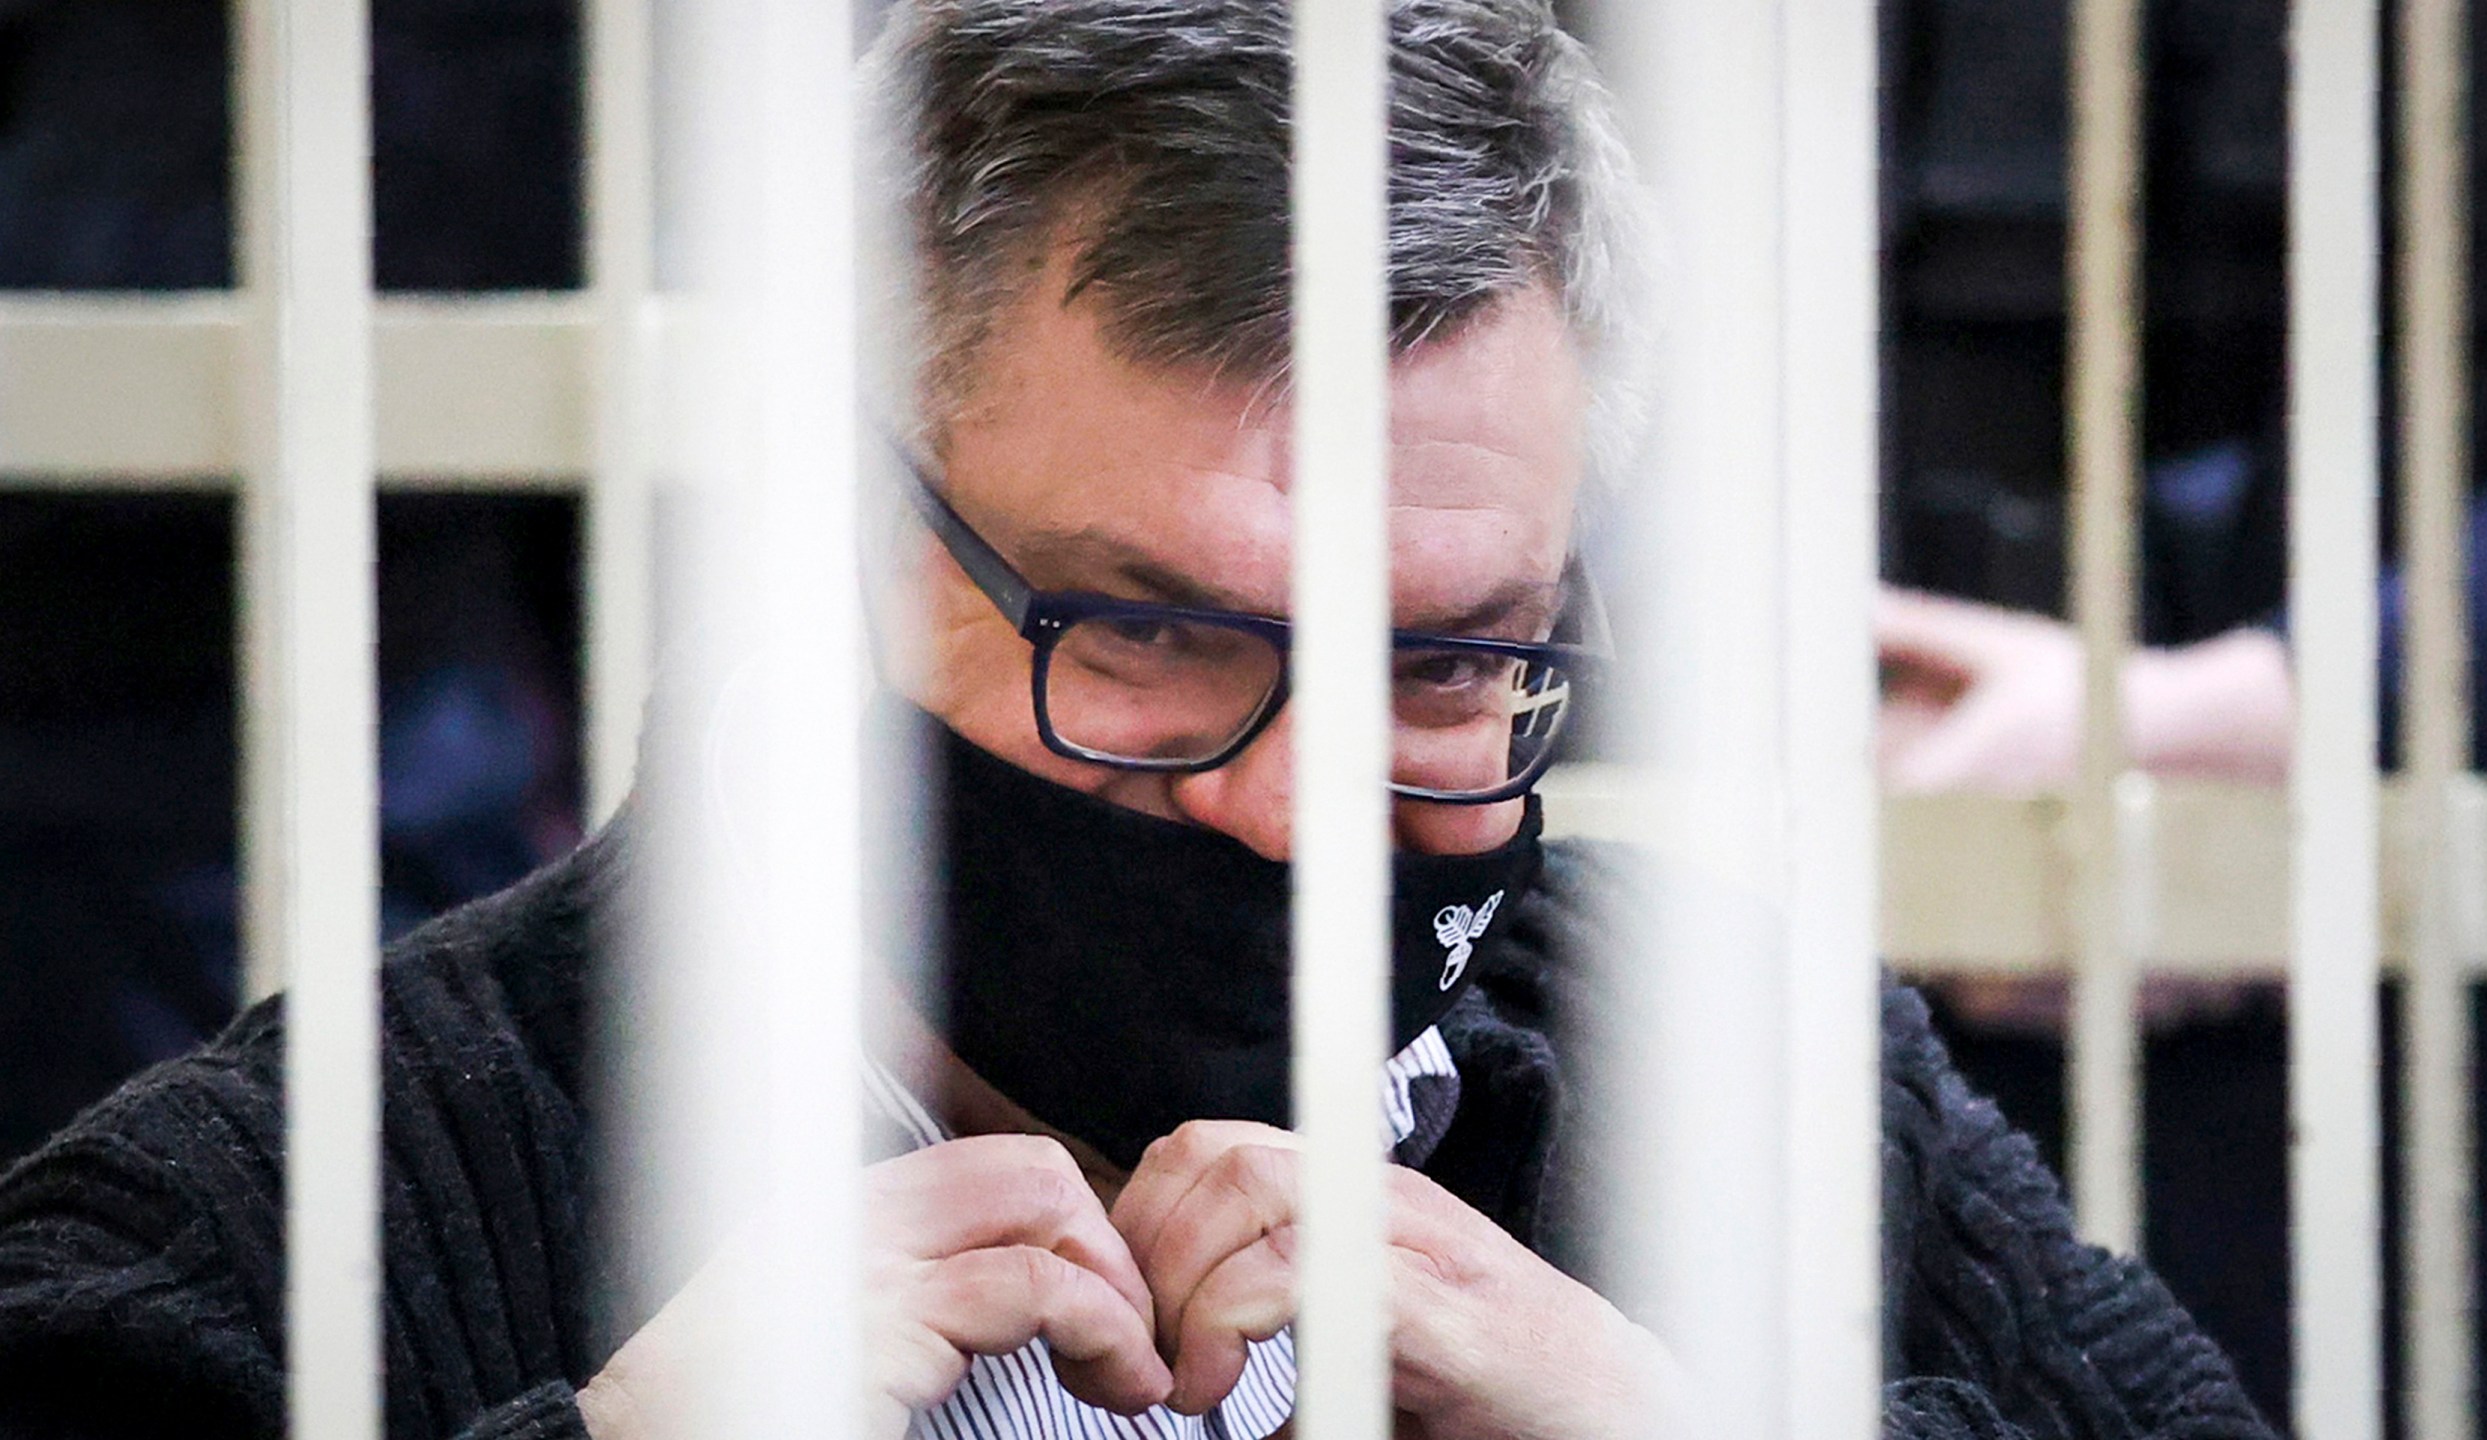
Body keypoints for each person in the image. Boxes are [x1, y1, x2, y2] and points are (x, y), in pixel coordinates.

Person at [0, 3, 2273, 1437]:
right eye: (1155, 637)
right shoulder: (267, 1237)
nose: (1303, 809)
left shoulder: (1747, 1080)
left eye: (1453, 657)